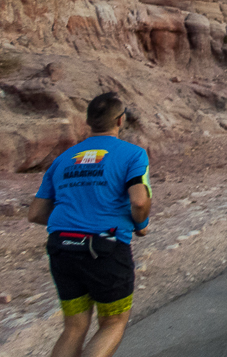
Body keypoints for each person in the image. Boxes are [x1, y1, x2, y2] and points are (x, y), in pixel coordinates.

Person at [28, 93, 151, 357]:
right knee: (113, 322)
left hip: (62, 247)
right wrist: (141, 225)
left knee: (73, 327)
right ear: (121, 120)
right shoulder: (133, 154)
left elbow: (36, 213)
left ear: (88, 121)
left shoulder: (63, 159)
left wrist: (75, 219)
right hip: (104, 249)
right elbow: (139, 202)